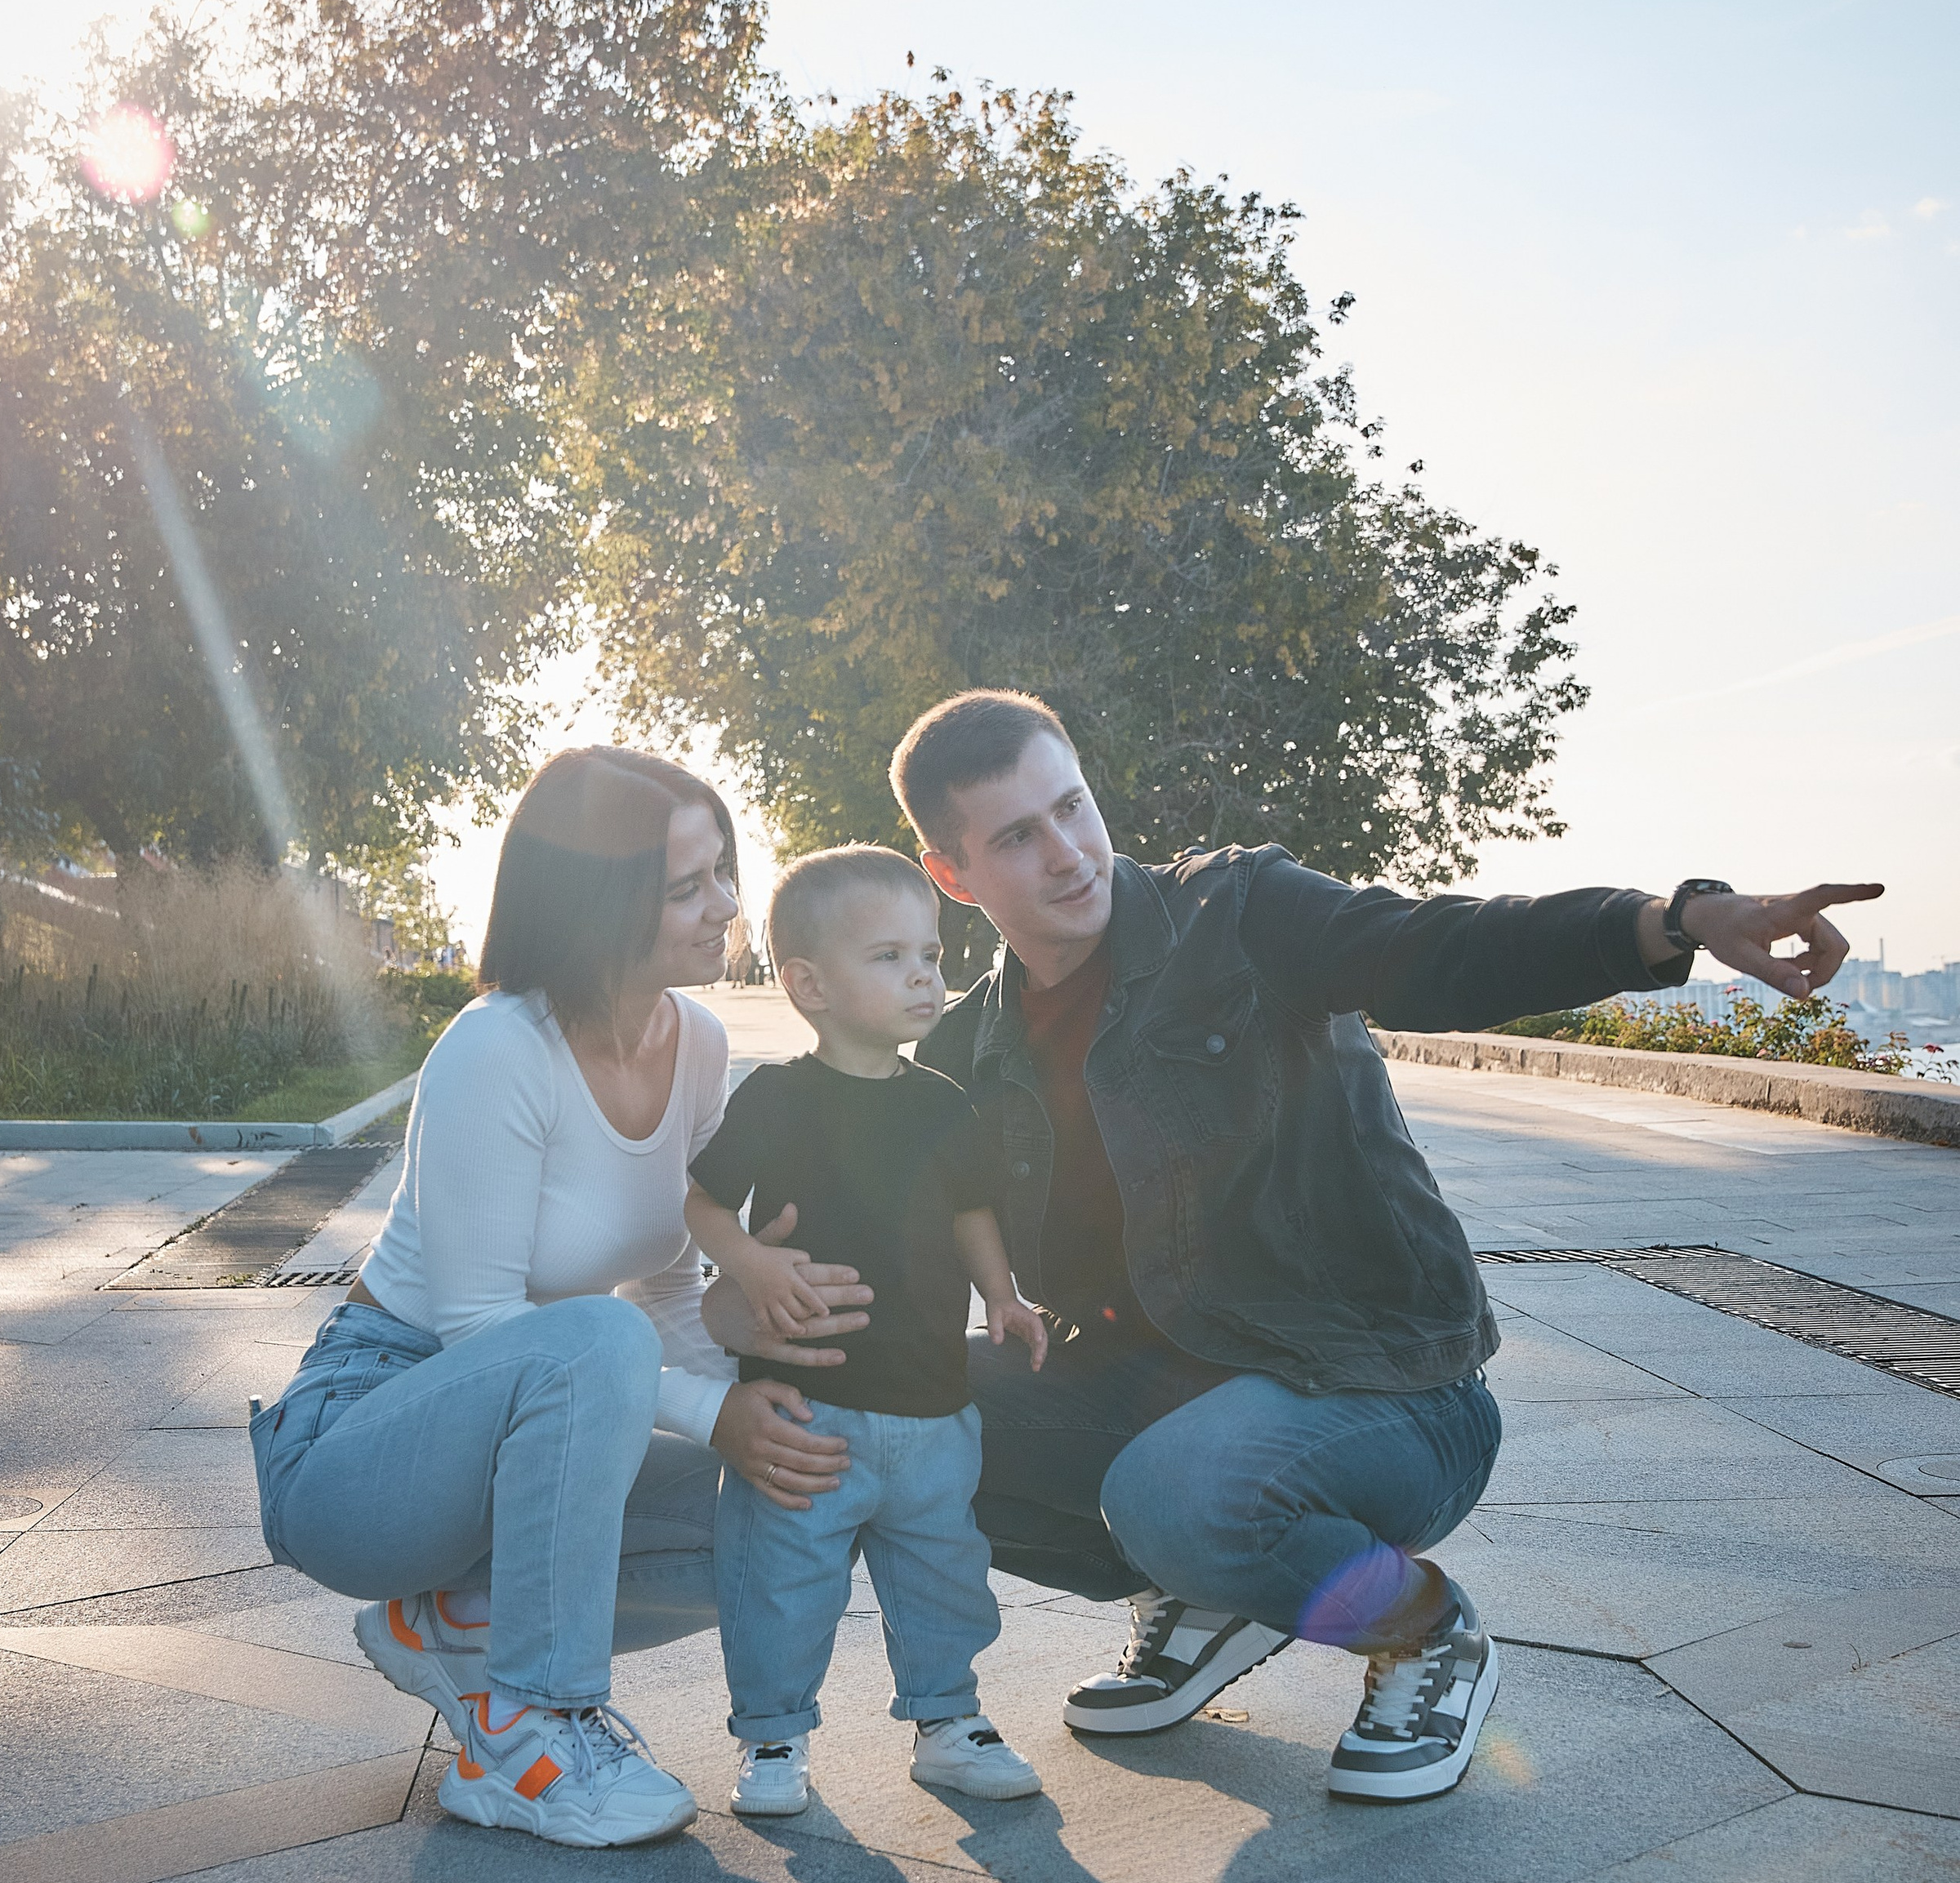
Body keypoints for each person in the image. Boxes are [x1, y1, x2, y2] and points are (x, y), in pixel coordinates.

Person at [710, 690, 1880, 1805]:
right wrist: (744, 1333)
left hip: (1385, 1392)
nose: (1067, 854)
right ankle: (1210, 1596)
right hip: (1157, 1401)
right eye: (1016, 837)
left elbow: (1440, 946)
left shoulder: (1236, 915)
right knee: (894, 1429)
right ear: (951, 876)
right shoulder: (964, 1051)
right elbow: (875, 1261)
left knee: (1177, 1496)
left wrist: (1673, 920)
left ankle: (1424, 1632)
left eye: (1071, 807)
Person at [246, 746, 871, 1850]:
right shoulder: (497, 1048)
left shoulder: (697, 1044)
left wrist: (748, 1407)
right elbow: (484, 1326)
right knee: (599, 1339)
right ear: (599, 904)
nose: (727, 906)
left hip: (544, 1422)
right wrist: (706, 1410)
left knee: (802, 1492)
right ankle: (528, 1732)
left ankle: (459, 1621)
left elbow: (668, 1283)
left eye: (722, 872)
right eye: (687, 887)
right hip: (366, 1444)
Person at [684, 847, 1049, 1817]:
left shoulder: (943, 1103)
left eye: (930, 954)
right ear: (809, 985)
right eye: (890, 957)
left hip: (934, 1405)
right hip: (804, 1413)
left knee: (944, 1578)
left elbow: (972, 1210)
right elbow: (704, 1201)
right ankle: (773, 1736)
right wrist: (748, 1264)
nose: (925, 975)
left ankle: (948, 1723)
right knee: (779, 1582)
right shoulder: (775, 1099)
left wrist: (1003, 1297)